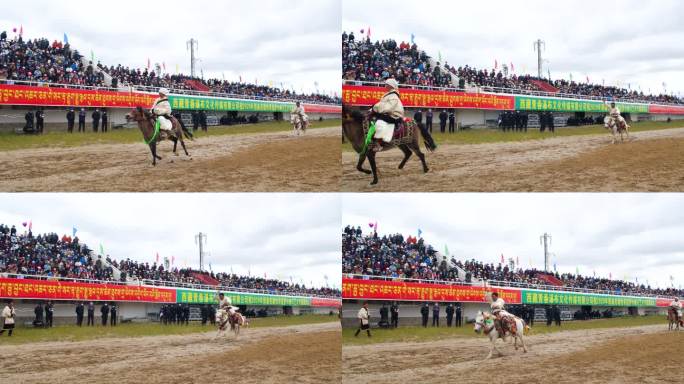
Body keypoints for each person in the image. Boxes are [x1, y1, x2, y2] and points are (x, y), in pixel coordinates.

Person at [370, 78, 404, 150]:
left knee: (379, 123)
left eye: (386, 85)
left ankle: (379, 143)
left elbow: (388, 107)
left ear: (390, 86)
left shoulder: (393, 96)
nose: (385, 86)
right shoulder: (389, 94)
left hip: (394, 115)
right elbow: (382, 104)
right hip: (389, 113)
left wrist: (375, 108)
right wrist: (373, 108)